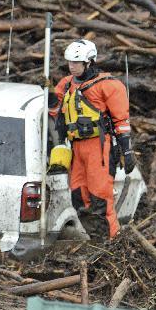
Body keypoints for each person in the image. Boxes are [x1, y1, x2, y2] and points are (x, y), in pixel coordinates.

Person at [47, 39, 136, 238]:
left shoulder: (109, 85)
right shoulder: (66, 83)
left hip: (99, 147)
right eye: (70, 62)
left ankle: (112, 244)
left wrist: (127, 151)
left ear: (89, 62)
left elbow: (121, 121)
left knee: (100, 199)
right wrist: (49, 96)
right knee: (79, 197)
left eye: (76, 63)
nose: (72, 66)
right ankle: (98, 240)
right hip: (76, 148)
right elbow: (55, 112)